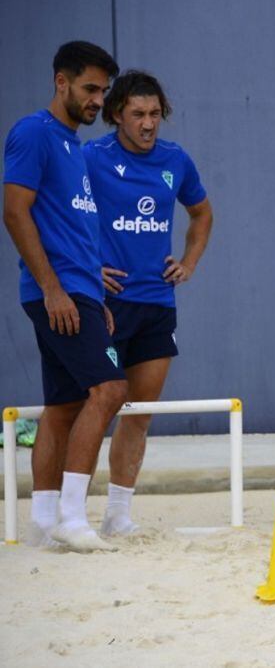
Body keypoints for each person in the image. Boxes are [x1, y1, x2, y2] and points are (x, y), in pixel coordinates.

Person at [2, 41, 124, 552]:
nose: (98, 100)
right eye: (90, 88)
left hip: (80, 290)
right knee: (110, 390)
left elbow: (70, 228)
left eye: (103, 91)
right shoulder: (35, 132)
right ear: (61, 82)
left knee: (62, 406)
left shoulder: (75, 146)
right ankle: (74, 518)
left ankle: (44, 522)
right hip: (58, 293)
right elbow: (14, 210)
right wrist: (54, 289)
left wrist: (97, 294)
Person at [83, 70, 214, 536]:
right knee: (92, 408)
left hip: (157, 300)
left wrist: (190, 261)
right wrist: (87, 268)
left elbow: (201, 212)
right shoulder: (91, 157)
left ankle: (118, 515)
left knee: (139, 413)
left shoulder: (175, 160)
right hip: (105, 302)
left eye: (155, 114)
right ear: (117, 114)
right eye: (138, 114)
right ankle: (67, 511)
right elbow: (57, 212)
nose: (148, 123)